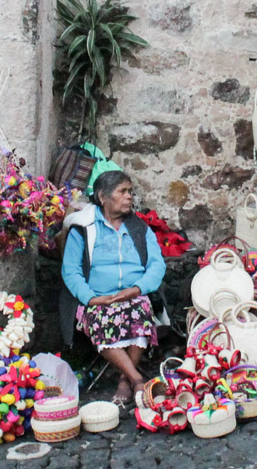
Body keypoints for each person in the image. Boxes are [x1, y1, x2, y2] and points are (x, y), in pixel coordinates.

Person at [61, 171, 167, 404]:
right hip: (98, 298)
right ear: (102, 196)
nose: (129, 197)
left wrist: (138, 289)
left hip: (134, 294)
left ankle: (124, 379)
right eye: (122, 192)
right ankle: (137, 378)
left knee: (139, 311)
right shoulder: (83, 229)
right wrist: (90, 299)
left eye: (130, 191)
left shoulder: (140, 229)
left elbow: (157, 265)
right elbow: (71, 270)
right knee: (101, 319)